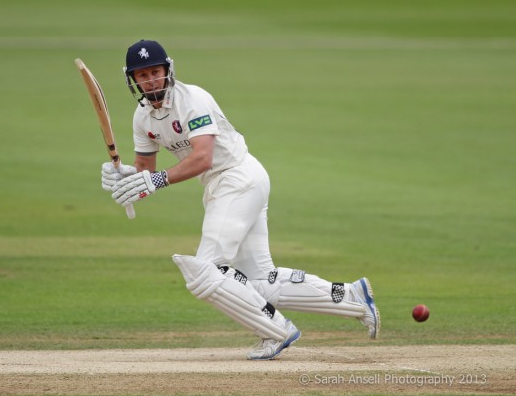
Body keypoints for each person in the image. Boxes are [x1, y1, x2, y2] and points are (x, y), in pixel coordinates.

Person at [101, 40, 380, 360]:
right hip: (226, 187)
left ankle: (275, 330)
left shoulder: (193, 100)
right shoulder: (143, 118)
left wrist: (154, 181)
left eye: (156, 71)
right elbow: (145, 171)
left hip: (237, 178)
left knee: (205, 271)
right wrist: (125, 175)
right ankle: (352, 297)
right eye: (143, 75)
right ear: (132, 79)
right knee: (261, 281)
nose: (151, 79)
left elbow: (203, 158)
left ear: (168, 70)